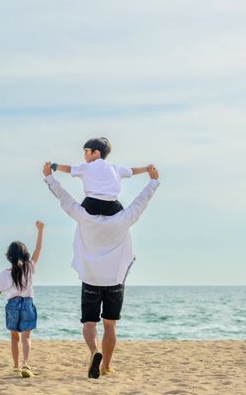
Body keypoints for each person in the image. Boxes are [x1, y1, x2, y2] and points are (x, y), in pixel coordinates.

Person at [42, 161, 160, 378]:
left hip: (91, 278)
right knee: (110, 324)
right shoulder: (124, 218)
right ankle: (106, 366)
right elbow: (141, 201)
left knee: (89, 322)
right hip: (114, 280)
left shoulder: (84, 217)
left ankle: (94, 351)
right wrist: (153, 181)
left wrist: (50, 177)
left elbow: (64, 198)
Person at [0, 221, 45, 378]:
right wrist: (41, 230)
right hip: (28, 303)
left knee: (14, 337)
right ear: (25, 255)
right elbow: (38, 249)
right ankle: (26, 364)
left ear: (9, 256)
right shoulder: (30, 268)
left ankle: (16, 366)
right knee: (26, 337)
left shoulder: (4, 273)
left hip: (12, 305)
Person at [50, 137, 152, 216]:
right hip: (112, 205)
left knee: (82, 217)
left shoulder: (85, 167)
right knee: (122, 218)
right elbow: (132, 171)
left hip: (91, 204)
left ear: (96, 153)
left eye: (86, 151)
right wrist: (146, 169)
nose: (84, 155)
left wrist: (56, 166)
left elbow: (69, 169)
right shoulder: (115, 168)